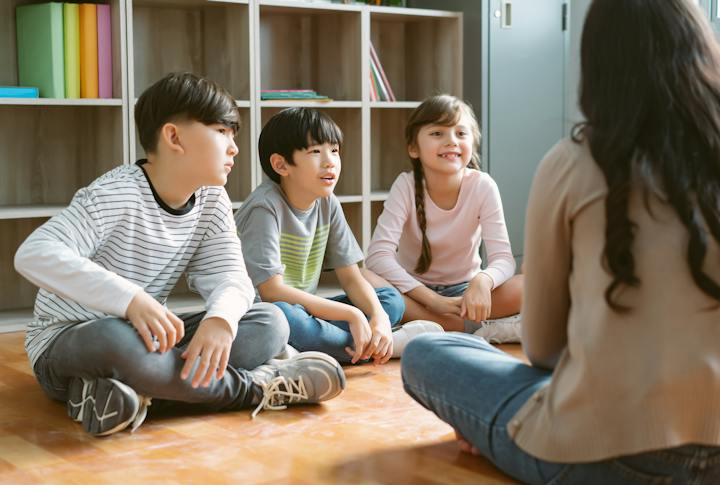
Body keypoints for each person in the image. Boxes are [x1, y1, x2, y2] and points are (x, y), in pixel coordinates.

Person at [400, 1, 720, 485]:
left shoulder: (573, 160)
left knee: (426, 352)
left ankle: (498, 428)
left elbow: (543, 347)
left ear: (598, 62)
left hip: (607, 459)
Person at [14, 72, 345, 437]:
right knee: (114, 339)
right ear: (173, 137)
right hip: (70, 341)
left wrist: (220, 321)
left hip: (152, 337)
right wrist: (131, 300)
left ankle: (124, 395)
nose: (234, 147)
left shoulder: (212, 199)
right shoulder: (115, 193)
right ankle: (258, 388)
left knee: (269, 323)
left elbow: (231, 277)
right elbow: (35, 252)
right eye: (222, 132)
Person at [235, 107, 441, 364]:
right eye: (315, 152)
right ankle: (379, 345)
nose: (330, 161)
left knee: (390, 300)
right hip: (267, 314)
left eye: (334, 150)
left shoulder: (327, 202)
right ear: (281, 164)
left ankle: (350, 343)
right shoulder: (264, 207)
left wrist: (378, 316)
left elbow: (351, 277)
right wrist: (352, 316)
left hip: (308, 311)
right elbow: (272, 292)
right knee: (285, 316)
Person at [365, 95, 523, 343]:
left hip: (465, 294)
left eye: (461, 133)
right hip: (413, 292)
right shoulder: (405, 185)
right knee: (363, 277)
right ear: (413, 148)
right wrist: (433, 301)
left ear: (472, 144)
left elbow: (503, 259)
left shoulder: (483, 186)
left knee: (528, 286)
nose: (451, 141)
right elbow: (377, 256)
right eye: (438, 133)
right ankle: (466, 327)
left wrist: (483, 281)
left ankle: (432, 327)